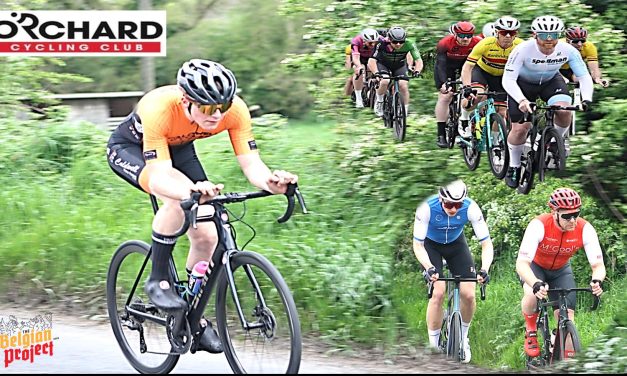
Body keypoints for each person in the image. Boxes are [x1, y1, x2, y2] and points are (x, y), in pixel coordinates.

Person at [106, 59, 299, 353]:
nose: (217, 115)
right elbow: (159, 174)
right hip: (132, 150)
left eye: (223, 107)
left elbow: (252, 164)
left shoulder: (234, 111)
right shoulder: (158, 107)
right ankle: (158, 280)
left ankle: (189, 318)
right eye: (208, 109)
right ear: (186, 101)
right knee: (177, 199)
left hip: (180, 149)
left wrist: (273, 182)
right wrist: (191, 191)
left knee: (207, 234)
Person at [502, 15, 593, 189]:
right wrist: (521, 100)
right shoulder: (522, 50)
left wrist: (586, 99)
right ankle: (513, 167)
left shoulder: (568, 50)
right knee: (520, 129)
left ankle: (553, 142)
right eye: (544, 35)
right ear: (535, 35)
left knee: (565, 111)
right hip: (522, 85)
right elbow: (508, 80)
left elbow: (584, 76)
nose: (549, 40)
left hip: (551, 82)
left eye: (554, 35)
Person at [515, 187, 605, 358]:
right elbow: (521, 264)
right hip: (535, 268)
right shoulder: (539, 225)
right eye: (566, 216)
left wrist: (597, 280)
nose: (572, 220)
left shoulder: (585, 229)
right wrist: (535, 283)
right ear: (554, 212)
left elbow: (598, 265)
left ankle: (568, 360)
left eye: (576, 214)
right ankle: (531, 330)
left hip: (560, 271)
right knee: (531, 294)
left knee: (568, 318)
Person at [412, 179, 494, 364]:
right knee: (438, 293)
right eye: (449, 205)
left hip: (457, 245)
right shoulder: (426, 207)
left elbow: (486, 244)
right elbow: (418, 245)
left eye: (458, 204)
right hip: (430, 246)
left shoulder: (471, 207)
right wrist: (429, 267)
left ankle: (463, 337)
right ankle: (433, 346)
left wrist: (484, 269)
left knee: (469, 295)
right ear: (441, 199)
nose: (454, 210)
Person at [460, 16, 522, 138]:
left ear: (516, 34)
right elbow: (467, 67)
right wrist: (467, 87)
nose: (508, 36)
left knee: (501, 111)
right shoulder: (485, 43)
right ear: (497, 33)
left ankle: (496, 146)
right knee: (477, 94)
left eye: (512, 33)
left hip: (503, 76)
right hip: (482, 71)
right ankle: (464, 119)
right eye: (504, 33)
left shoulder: (521, 46)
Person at [434, 21, 481, 148]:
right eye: (461, 35)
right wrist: (445, 83)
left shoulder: (477, 42)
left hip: (466, 66)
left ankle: (466, 124)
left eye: (468, 35)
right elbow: (441, 64)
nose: (465, 39)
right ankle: (441, 133)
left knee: (472, 92)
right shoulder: (445, 43)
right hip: (447, 66)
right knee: (446, 95)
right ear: (455, 34)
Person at [368, 26, 423, 117]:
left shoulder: (409, 44)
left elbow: (418, 60)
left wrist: (417, 70)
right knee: (385, 80)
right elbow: (372, 61)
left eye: (401, 42)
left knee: (403, 85)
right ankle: (380, 101)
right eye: (395, 42)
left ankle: (404, 110)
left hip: (399, 66)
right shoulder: (381, 44)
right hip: (383, 65)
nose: (398, 44)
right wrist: (376, 73)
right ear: (389, 39)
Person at [349, 28, 383, 108]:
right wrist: (359, 66)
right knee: (359, 71)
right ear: (364, 41)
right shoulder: (356, 41)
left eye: (375, 42)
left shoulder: (381, 39)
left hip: (373, 57)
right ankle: (359, 98)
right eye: (370, 43)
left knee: (375, 70)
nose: (373, 45)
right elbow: (355, 58)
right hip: (360, 57)